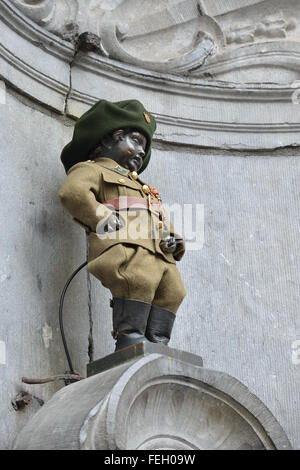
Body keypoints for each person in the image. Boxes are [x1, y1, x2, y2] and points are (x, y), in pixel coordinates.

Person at [58, 99, 186, 351]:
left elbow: (158, 217)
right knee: (138, 281)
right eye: (136, 141)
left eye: (144, 146)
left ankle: (158, 343)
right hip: (127, 247)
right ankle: (131, 339)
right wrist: (100, 216)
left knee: (173, 291)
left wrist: (173, 239)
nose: (141, 151)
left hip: (160, 253)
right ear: (108, 140)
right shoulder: (91, 169)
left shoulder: (145, 187)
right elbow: (72, 193)